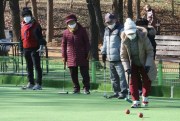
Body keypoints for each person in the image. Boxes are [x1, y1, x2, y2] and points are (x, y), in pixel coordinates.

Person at [120, 18, 157, 108]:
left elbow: (150, 52)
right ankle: (135, 101)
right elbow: (123, 56)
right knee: (132, 82)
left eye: (132, 33)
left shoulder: (143, 37)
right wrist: (127, 68)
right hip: (133, 63)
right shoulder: (124, 40)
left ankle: (145, 97)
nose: (131, 35)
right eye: (129, 34)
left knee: (147, 80)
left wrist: (148, 64)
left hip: (144, 61)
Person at [61, 14, 90, 94]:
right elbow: (63, 44)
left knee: (84, 73)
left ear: (76, 22)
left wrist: (88, 52)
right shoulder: (65, 33)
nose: (71, 23)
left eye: (72, 22)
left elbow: (87, 42)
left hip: (82, 55)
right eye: (69, 22)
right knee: (73, 73)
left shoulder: (82, 30)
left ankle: (86, 88)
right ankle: (76, 88)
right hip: (70, 56)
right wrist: (63, 55)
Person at [101, 13, 127, 99]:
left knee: (122, 75)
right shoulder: (106, 30)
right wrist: (103, 53)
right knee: (113, 77)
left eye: (110, 21)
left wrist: (123, 54)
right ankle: (116, 92)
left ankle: (123, 92)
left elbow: (124, 43)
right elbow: (105, 42)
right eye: (107, 22)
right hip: (110, 57)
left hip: (119, 57)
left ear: (115, 20)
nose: (109, 23)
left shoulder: (121, 29)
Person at [20, 7, 46, 90]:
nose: (26, 17)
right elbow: (21, 38)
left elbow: (41, 38)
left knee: (37, 66)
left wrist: (41, 47)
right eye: (24, 16)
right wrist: (21, 49)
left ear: (31, 16)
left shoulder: (36, 25)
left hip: (35, 48)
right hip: (26, 49)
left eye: (27, 15)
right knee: (29, 66)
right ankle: (31, 82)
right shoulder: (22, 25)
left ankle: (38, 83)